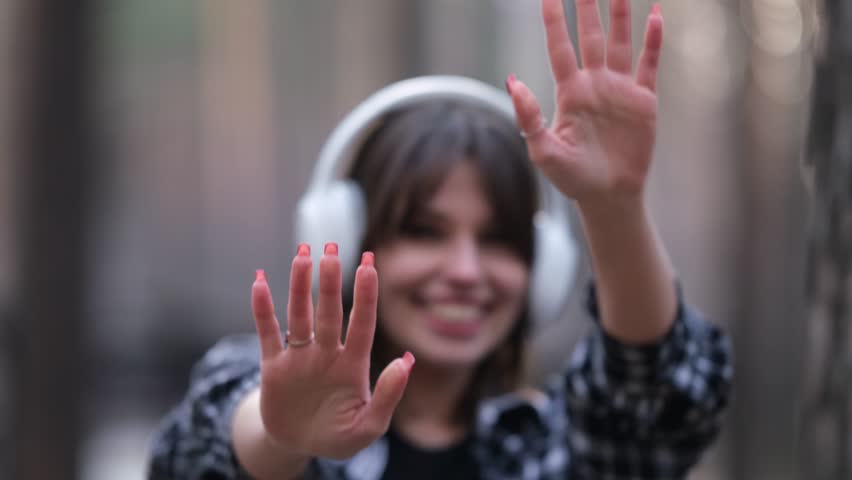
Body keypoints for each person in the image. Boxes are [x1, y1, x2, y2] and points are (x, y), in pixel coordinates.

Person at [148, 0, 732, 478]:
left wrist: (613, 207)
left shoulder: (546, 452)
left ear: (542, 269)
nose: (464, 270)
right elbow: (195, 453)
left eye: (499, 240)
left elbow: (661, 400)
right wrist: (278, 439)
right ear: (348, 238)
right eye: (425, 232)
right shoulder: (270, 393)